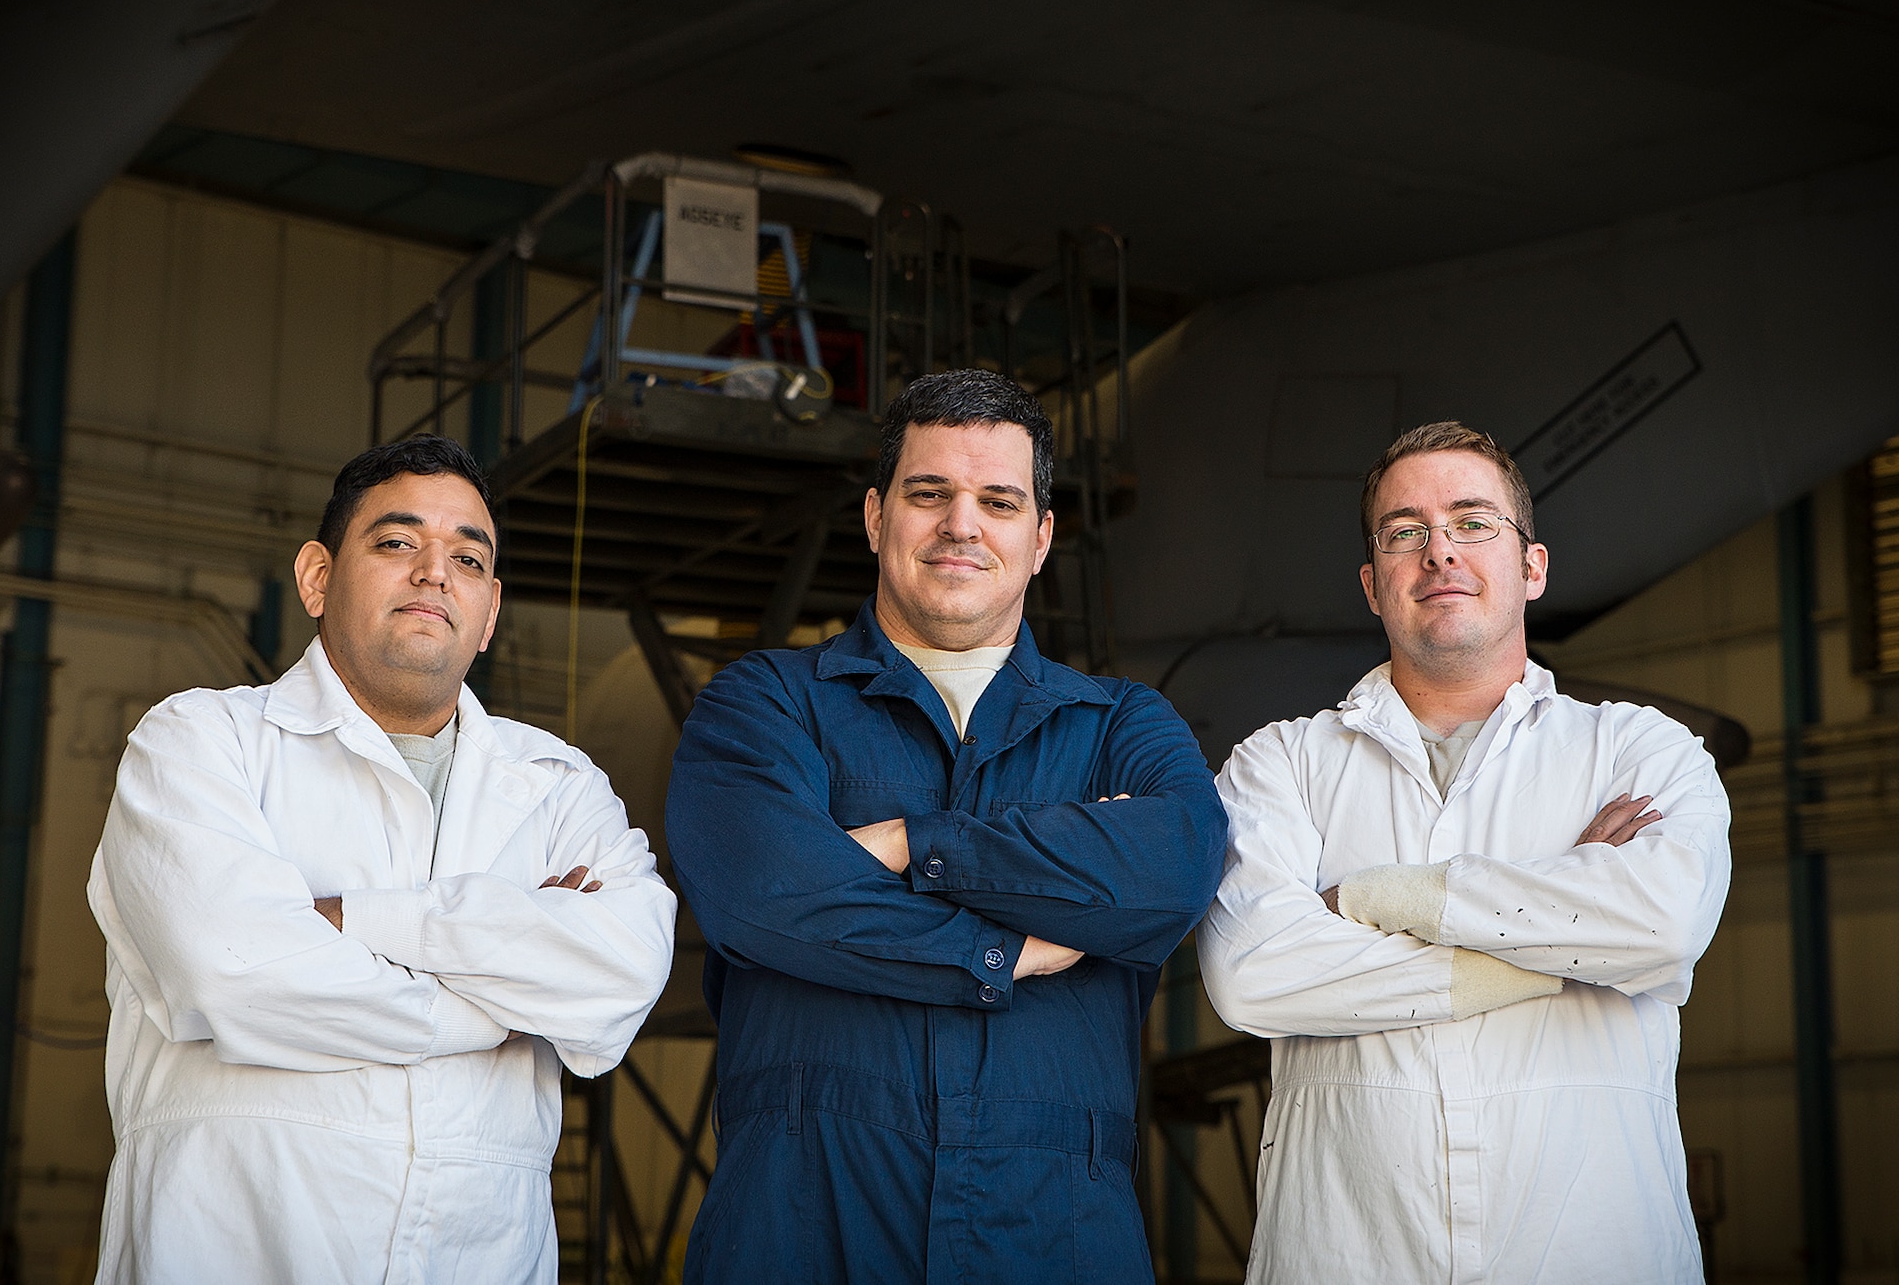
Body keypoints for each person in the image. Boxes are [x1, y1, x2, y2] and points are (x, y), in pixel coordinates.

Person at [665, 369, 1227, 1283]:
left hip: (1054, 1238)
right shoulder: (765, 704)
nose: (961, 523)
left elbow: (1172, 872)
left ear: (1042, 538)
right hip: (805, 1229)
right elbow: (762, 899)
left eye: (998, 501)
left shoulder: (1122, 725)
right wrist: (999, 949)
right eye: (930, 493)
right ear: (876, 516)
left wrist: (907, 846)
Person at [87, 435, 676, 1284]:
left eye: (468, 559)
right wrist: (507, 1006)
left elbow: (622, 974)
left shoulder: (558, 785)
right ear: (317, 578)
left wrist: (353, 921)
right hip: (233, 1252)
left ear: (491, 613)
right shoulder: (198, 743)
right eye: (398, 543)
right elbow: (236, 976)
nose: (436, 573)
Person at [1197, 420, 1732, 1284]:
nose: (1438, 550)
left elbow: (1662, 926)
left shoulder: (1640, 752)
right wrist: (1564, 942)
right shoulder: (1282, 763)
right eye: (1405, 531)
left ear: (1533, 566)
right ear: (1374, 585)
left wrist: (1376, 896)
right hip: (1347, 1258)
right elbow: (1252, 974)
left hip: (1594, 1253)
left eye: (1473, 522)